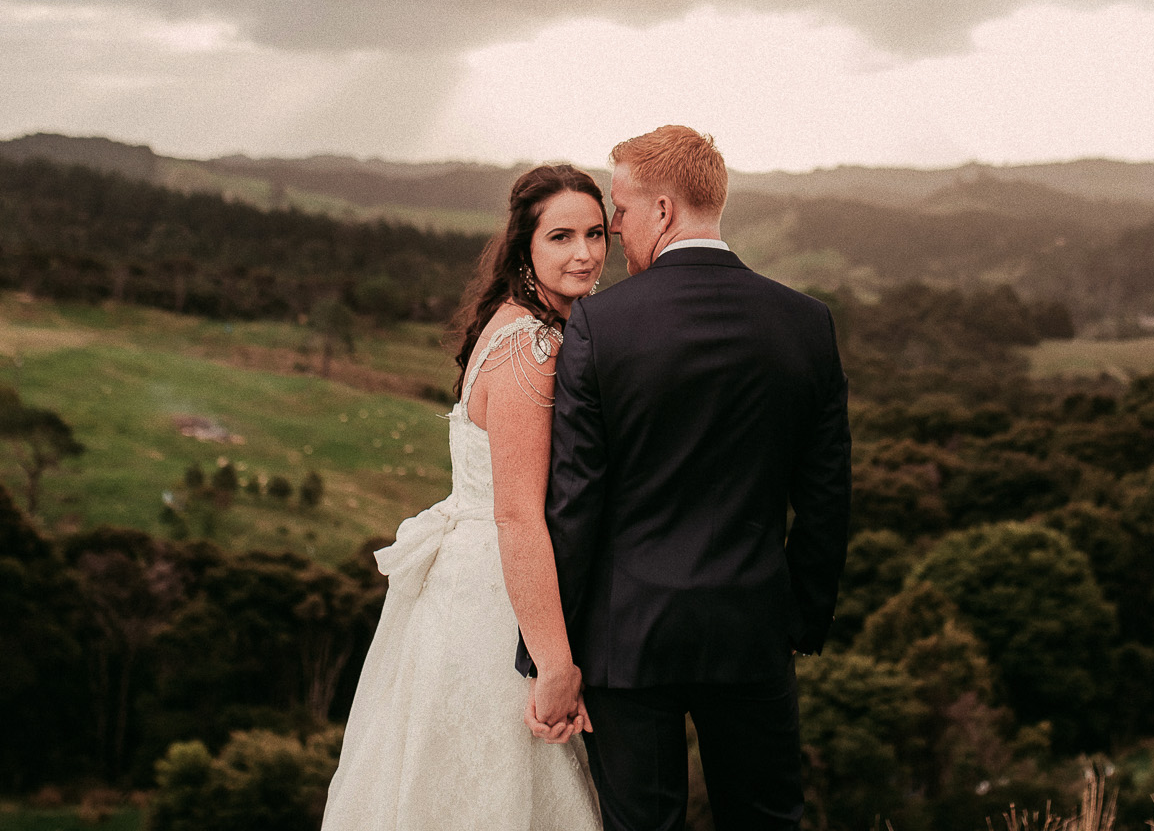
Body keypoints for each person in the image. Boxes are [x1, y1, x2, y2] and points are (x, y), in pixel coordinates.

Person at [525, 125, 852, 831]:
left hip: (628, 634)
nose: (614, 227)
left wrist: (554, 650)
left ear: (664, 211)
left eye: (621, 209)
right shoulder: (806, 324)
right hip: (753, 625)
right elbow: (826, 499)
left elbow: (575, 498)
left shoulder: (600, 326)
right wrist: (797, 617)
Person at [323, 163, 606, 831]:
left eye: (596, 234)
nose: (586, 253)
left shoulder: (525, 326)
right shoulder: (530, 347)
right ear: (524, 248)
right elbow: (518, 516)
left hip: (481, 582)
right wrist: (555, 665)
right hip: (495, 600)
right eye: (562, 236)